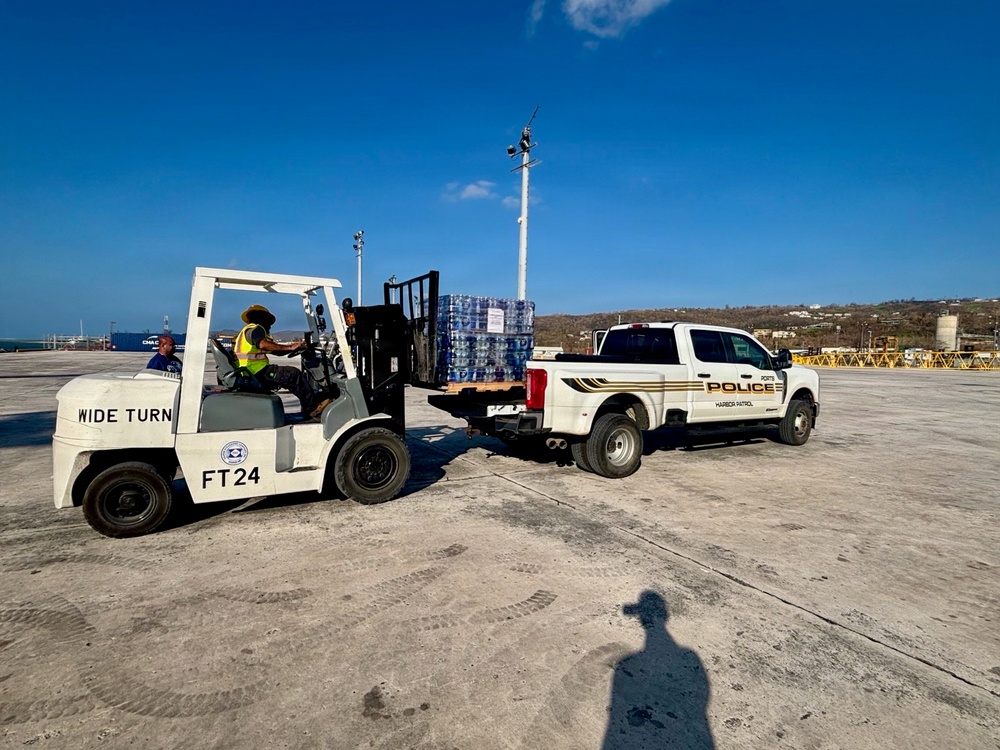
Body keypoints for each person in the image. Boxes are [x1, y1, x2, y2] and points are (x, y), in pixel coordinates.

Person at [234, 305, 332, 420]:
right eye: (269, 321)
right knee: (293, 374)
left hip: (249, 372)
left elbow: (275, 351)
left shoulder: (246, 332)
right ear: (262, 318)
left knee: (289, 374)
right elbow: (263, 345)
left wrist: (294, 348)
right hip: (257, 373)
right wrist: (290, 347)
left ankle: (310, 404)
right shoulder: (256, 329)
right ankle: (313, 407)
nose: (270, 325)